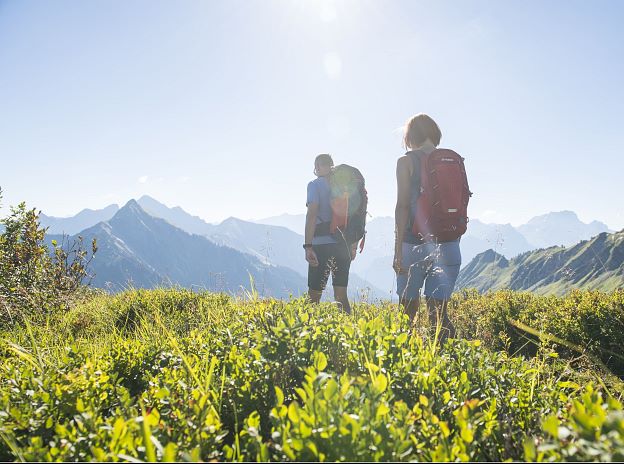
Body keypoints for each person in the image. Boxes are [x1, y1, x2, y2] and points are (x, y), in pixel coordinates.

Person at [394, 114, 465, 341]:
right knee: (439, 315)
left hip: (413, 244)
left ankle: (406, 363)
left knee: (407, 313)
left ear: (410, 136)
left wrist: (397, 250)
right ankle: (449, 364)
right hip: (450, 244)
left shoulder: (406, 162)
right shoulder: (453, 160)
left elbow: (402, 205)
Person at [304, 154, 357, 314]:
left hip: (321, 245)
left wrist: (308, 246)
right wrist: (353, 245)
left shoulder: (314, 185)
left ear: (318, 167)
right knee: (341, 296)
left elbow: (312, 214)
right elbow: (355, 215)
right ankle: (350, 334)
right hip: (343, 245)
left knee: (314, 296)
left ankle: (308, 334)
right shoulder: (345, 187)